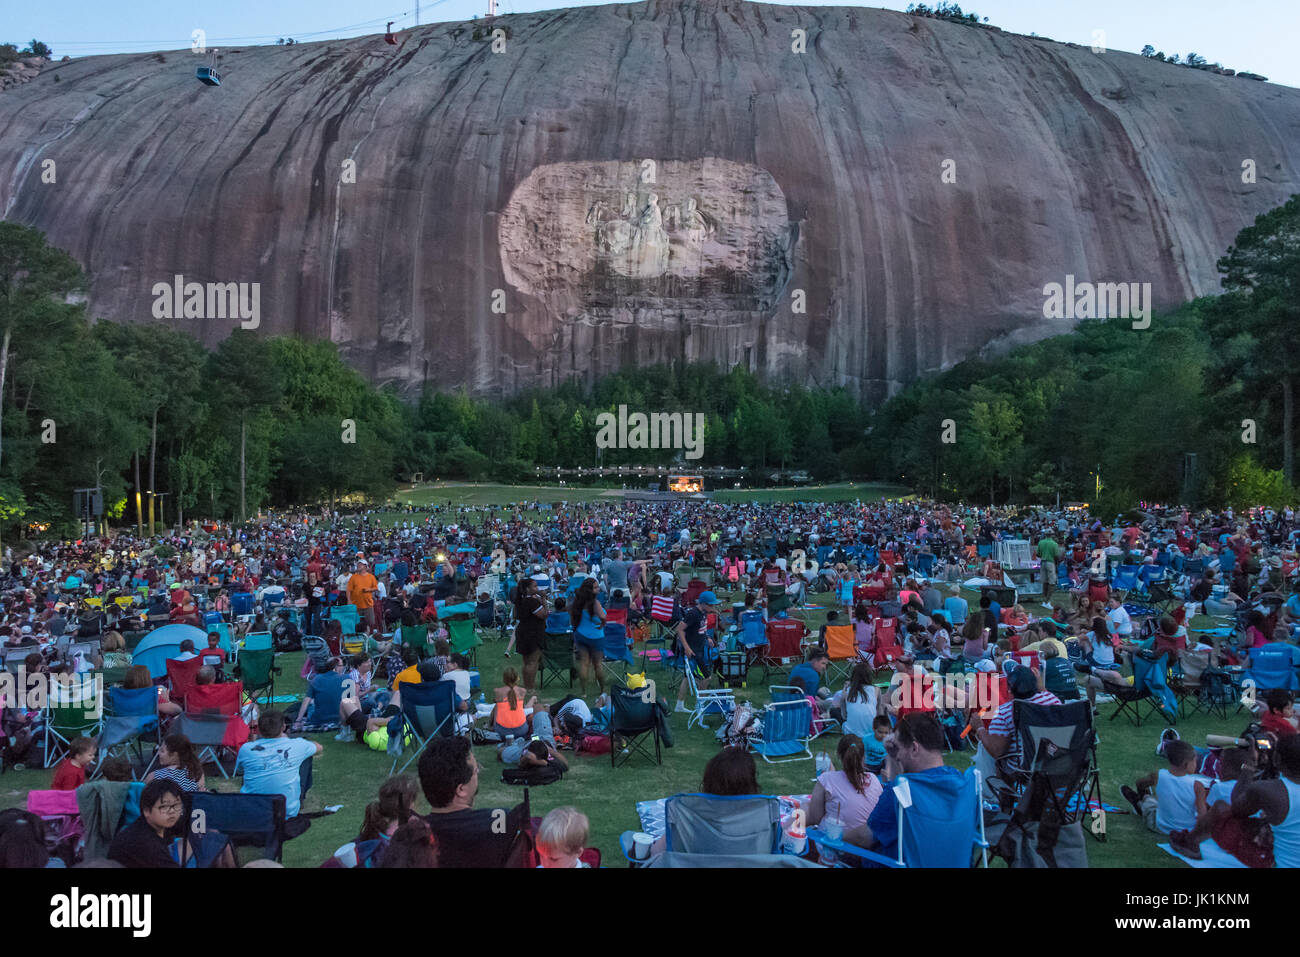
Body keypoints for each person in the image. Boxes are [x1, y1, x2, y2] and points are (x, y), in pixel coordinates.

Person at [842, 712, 963, 860]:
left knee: (841, 853)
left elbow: (864, 837)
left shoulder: (901, 791)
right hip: (949, 861)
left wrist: (837, 836)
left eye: (898, 748)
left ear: (914, 749)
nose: (898, 756)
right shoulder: (962, 784)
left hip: (897, 862)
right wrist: (892, 758)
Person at [419, 735, 526, 868]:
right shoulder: (499, 822)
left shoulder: (414, 835)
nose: (478, 774)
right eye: (476, 771)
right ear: (461, 789)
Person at [235, 710, 322, 836]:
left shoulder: (246, 749)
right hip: (286, 812)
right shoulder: (298, 744)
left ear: (259, 729)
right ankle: (300, 798)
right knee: (306, 756)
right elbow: (318, 747)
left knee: (250, 769)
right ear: (283, 727)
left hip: (252, 811)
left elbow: (240, 770)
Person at [1120, 738, 1206, 835]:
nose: (1196, 764)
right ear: (1186, 764)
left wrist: (1142, 791)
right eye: (1195, 761)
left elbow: (1139, 783)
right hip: (1187, 830)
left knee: (1150, 803)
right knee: (1153, 803)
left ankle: (1140, 800)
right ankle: (1142, 800)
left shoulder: (1159, 775)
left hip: (1161, 827)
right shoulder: (1197, 785)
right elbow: (1202, 815)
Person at [107, 779, 190, 868]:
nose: (172, 811)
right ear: (146, 810)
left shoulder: (159, 824)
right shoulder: (144, 842)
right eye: (164, 807)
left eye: (176, 805)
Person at [808, 734, 883, 831]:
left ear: (839, 755)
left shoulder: (826, 780)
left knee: (805, 810)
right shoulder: (874, 780)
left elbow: (815, 819)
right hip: (866, 843)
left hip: (832, 842)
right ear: (864, 757)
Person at [673, 590, 722, 713]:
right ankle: (700, 705)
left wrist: (708, 637)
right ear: (704, 603)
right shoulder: (693, 614)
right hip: (693, 651)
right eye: (711, 605)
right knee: (706, 677)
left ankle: (679, 705)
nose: (713, 607)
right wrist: (687, 648)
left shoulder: (703, 612)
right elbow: (679, 630)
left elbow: (700, 628)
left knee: (687, 677)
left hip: (699, 648)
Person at [570, 578, 607, 696]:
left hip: (581, 635)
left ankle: (584, 692)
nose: (598, 589)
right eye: (596, 587)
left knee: (584, 664)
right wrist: (603, 624)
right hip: (596, 636)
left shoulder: (576, 602)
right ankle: (602, 690)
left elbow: (572, 618)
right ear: (589, 590)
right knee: (598, 664)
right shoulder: (595, 603)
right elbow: (603, 616)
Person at [511, 576, 548, 691]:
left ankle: (527, 686)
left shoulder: (519, 601)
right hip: (533, 633)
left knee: (526, 662)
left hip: (522, 631)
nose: (537, 588)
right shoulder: (532, 602)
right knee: (533, 661)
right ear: (527, 589)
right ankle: (530, 687)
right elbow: (543, 614)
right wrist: (544, 599)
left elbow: (515, 616)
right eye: (535, 586)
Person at [489, 667, 535, 742]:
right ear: (517, 678)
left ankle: (489, 725)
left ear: (504, 679)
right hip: (521, 731)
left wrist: (495, 726)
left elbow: (497, 711)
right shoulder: (522, 691)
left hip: (503, 732)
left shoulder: (498, 691)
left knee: (497, 706)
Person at [347, 559, 380, 630]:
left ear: (365, 566)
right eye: (358, 564)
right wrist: (349, 600)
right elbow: (349, 590)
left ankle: (368, 637)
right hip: (356, 605)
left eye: (360, 564)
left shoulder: (371, 577)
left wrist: (368, 589)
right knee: (357, 624)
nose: (358, 566)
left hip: (368, 604)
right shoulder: (353, 577)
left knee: (370, 623)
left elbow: (376, 588)